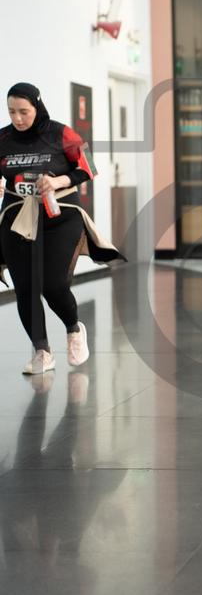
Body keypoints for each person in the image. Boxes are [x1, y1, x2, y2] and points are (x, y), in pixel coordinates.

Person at [0, 82, 125, 375]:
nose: (17, 118)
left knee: (53, 284)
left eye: (24, 111)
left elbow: (89, 167)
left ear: (37, 107)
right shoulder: (3, 138)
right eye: (11, 111)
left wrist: (57, 181)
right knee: (25, 288)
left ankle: (74, 328)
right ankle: (42, 352)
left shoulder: (60, 133)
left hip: (60, 215)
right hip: (17, 217)